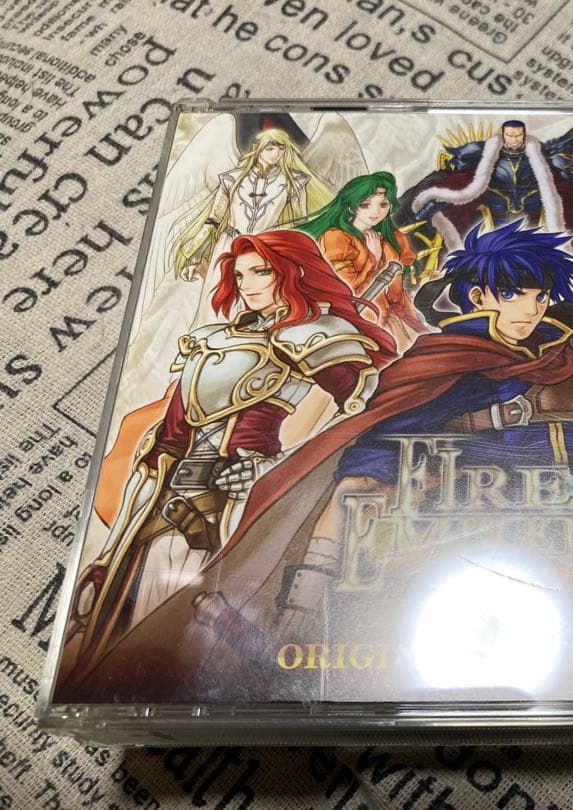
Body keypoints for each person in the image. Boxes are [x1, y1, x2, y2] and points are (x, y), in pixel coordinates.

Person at [65, 230, 395, 677]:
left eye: (260, 272)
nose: (248, 284)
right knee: (110, 604)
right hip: (161, 489)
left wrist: (273, 467)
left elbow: (358, 411)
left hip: (229, 496)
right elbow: (176, 427)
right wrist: (152, 474)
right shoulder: (216, 339)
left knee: (171, 614)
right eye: (240, 276)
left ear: (292, 272)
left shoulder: (312, 337)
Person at [171, 128, 335, 324]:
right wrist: (194, 255)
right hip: (228, 246)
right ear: (258, 149)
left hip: (264, 249)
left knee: (263, 301)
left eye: (281, 148)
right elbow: (213, 220)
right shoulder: (232, 179)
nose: (276, 154)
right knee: (218, 304)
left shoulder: (294, 182)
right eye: (270, 148)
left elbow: (298, 224)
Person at [400, 119, 573, 260]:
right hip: (496, 213)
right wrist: (426, 210)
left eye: (518, 135)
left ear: (524, 135)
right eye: (510, 135)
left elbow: (560, 186)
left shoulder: (540, 158)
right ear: (504, 135)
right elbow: (466, 180)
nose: (514, 140)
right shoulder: (488, 156)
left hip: (533, 215)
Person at [293, 172, 428, 349]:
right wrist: (374, 258)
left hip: (398, 315)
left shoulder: (394, 238)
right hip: (359, 318)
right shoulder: (336, 238)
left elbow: (398, 289)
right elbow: (348, 290)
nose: (376, 212)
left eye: (383, 205)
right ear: (351, 206)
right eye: (365, 205)